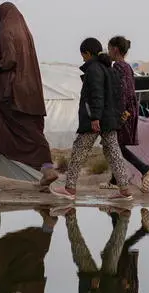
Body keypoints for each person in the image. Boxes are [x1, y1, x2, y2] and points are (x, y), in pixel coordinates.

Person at [0, 2, 58, 188]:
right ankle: (46, 167)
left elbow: (9, 60)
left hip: (10, 91)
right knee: (30, 129)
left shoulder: (6, 31)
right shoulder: (25, 33)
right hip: (29, 91)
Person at [50, 38, 133, 201]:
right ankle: (124, 189)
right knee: (114, 153)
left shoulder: (94, 69)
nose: (82, 59)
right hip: (109, 120)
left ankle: (69, 189)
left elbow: (96, 95)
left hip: (97, 120)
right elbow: (116, 95)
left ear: (88, 53)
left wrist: (94, 118)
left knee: (79, 151)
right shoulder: (108, 68)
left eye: (83, 55)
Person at [101, 36, 149, 192]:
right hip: (129, 110)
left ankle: (144, 169)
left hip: (123, 112)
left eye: (109, 47)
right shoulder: (127, 67)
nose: (108, 51)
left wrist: (120, 115)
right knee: (116, 145)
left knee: (116, 146)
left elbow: (123, 92)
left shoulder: (118, 67)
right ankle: (114, 180)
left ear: (115, 49)